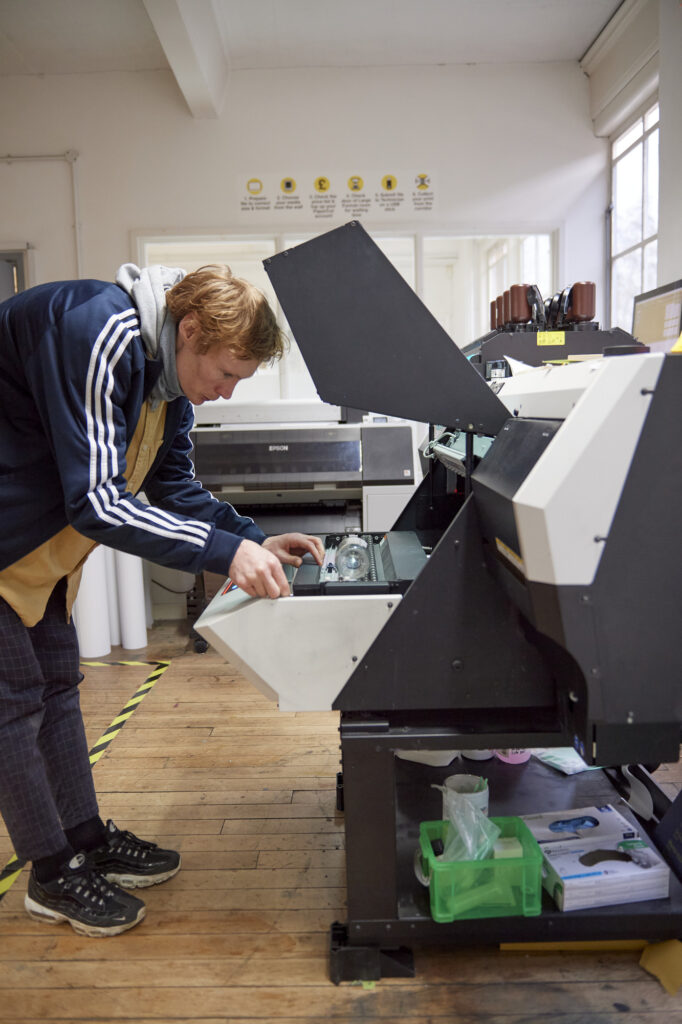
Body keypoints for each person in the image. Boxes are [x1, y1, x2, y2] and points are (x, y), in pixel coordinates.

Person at [0, 263, 324, 937]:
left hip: (37, 540)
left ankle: (85, 840)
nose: (227, 392)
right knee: (15, 705)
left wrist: (255, 541)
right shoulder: (101, 333)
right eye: (226, 373)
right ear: (191, 330)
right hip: (12, 529)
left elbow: (174, 487)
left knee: (59, 687)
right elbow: (96, 502)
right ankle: (51, 873)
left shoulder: (168, 380)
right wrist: (223, 556)